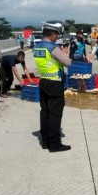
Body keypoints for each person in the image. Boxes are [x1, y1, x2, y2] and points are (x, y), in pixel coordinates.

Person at [33, 24, 72, 152]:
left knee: (45, 112)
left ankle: (45, 142)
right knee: (55, 114)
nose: (56, 37)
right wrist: (65, 53)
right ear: (52, 34)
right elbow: (68, 63)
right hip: (54, 83)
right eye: (56, 34)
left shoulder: (36, 47)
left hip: (43, 81)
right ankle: (55, 144)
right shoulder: (53, 48)